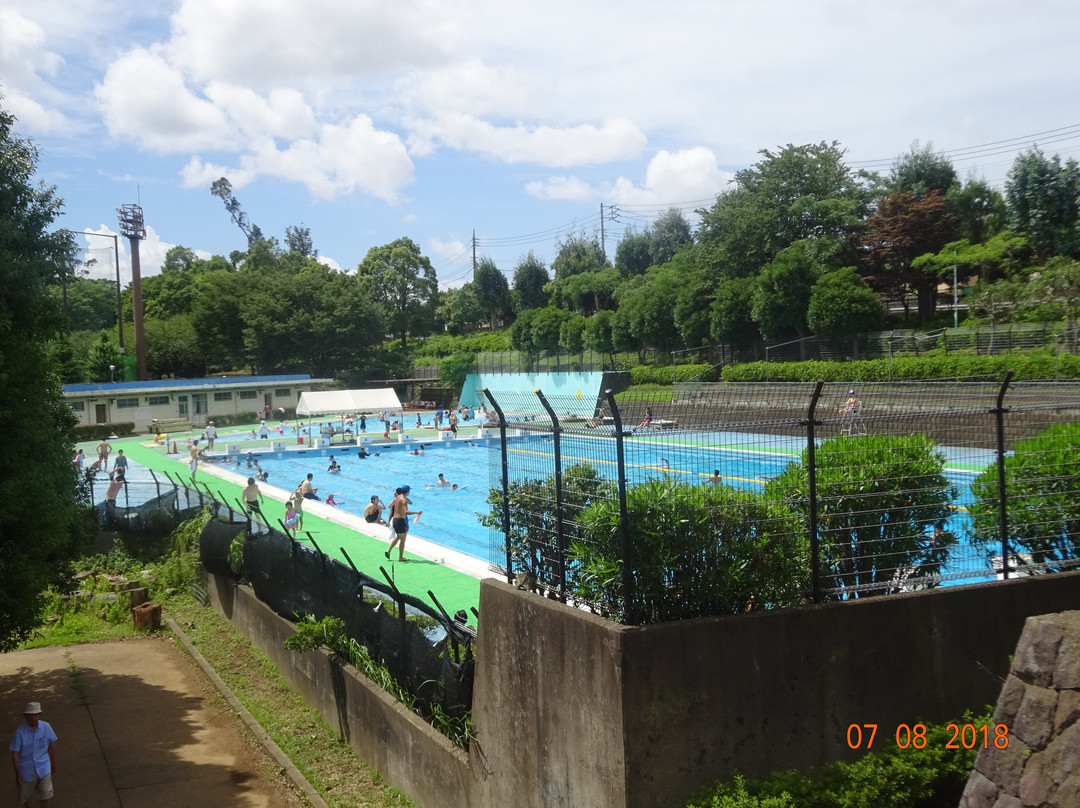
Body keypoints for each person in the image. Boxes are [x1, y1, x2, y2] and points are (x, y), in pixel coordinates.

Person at [10, 701, 57, 807]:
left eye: (35, 715)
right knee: (26, 796)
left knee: (47, 794)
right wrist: (18, 774)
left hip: (44, 767)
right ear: (26, 716)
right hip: (26, 770)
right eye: (30, 715)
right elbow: (15, 754)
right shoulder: (20, 732)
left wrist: (53, 762)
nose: (33, 718)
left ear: (39, 715)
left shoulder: (46, 727)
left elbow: (52, 744)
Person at [385, 485, 421, 562]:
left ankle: (388, 550)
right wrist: (416, 512)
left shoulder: (397, 498)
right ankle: (400, 557)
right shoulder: (404, 500)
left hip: (394, 520)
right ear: (408, 492)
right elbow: (406, 512)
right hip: (400, 521)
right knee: (403, 539)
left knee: (398, 537)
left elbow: (389, 506)